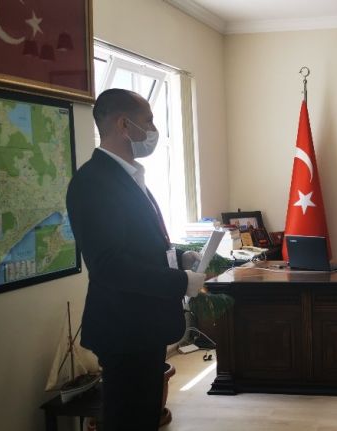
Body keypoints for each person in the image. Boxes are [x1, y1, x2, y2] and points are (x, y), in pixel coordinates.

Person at [66, 88, 206, 430]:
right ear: (123, 125)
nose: (154, 130)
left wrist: (180, 257)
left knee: (145, 415)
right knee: (127, 419)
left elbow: (139, 242)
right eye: (149, 121)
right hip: (124, 328)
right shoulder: (93, 182)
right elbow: (109, 265)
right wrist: (180, 282)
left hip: (145, 324)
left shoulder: (129, 176)